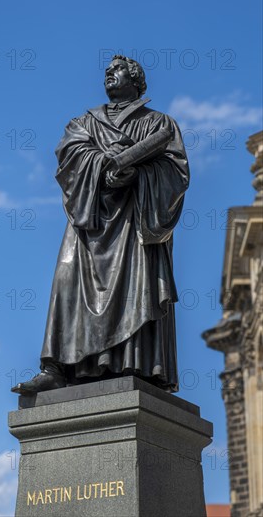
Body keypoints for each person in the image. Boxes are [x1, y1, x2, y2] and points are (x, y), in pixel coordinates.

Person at [12, 55, 190, 395]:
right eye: (107, 70)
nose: (109, 72)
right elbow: (71, 156)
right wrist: (105, 164)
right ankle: (56, 366)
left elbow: (176, 173)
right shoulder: (83, 122)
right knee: (66, 278)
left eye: (118, 68)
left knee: (135, 285)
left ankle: (133, 363)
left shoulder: (158, 124)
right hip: (90, 219)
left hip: (133, 220)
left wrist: (137, 173)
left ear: (136, 79)